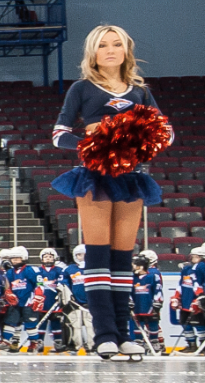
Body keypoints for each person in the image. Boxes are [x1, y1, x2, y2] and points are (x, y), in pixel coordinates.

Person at [50, 25, 171, 362]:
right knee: (98, 256)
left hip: (131, 178)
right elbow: (59, 134)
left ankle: (125, 335)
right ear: (93, 52)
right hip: (94, 178)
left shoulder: (141, 91)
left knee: (122, 260)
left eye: (117, 44)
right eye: (103, 45)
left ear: (126, 50)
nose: (110, 50)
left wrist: (137, 141)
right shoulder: (82, 88)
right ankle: (104, 336)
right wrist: (95, 144)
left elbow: (167, 132)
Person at [129, 253, 163, 352]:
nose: (133, 266)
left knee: (153, 324)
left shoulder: (153, 276)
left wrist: (158, 301)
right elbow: (129, 291)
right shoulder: (132, 278)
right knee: (137, 324)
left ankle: (154, 341)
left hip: (149, 306)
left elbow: (158, 290)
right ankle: (138, 342)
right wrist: (129, 301)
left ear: (141, 266)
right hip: (138, 306)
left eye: (135, 264)